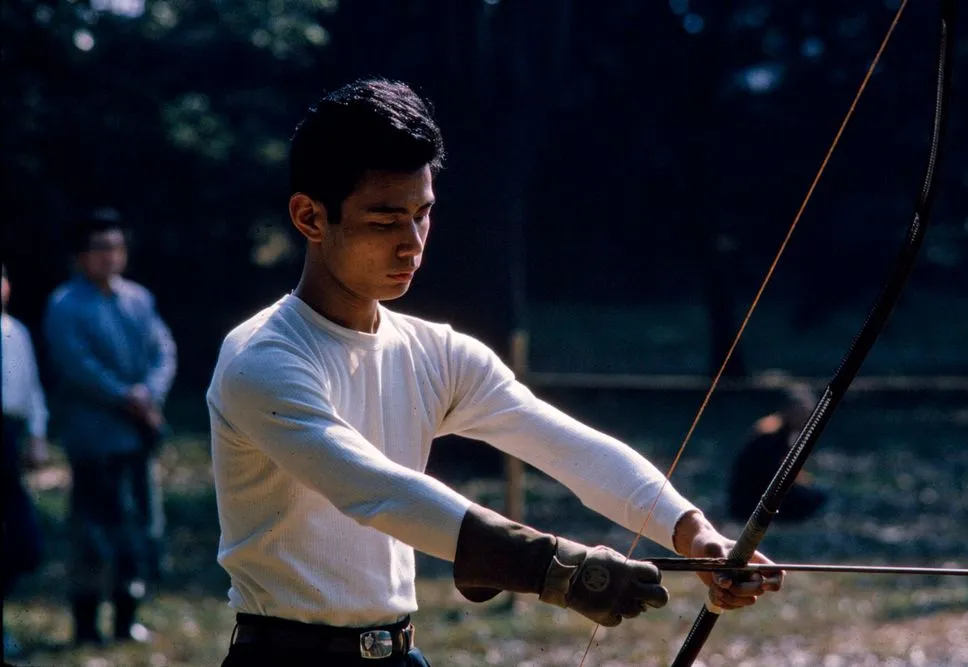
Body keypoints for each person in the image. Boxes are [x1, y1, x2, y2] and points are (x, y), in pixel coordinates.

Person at [207, 78, 784, 667]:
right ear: (309, 216)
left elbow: (567, 447)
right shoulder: (263, 358)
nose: (412, 244)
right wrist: (558, 568)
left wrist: (695, 535)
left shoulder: (436, 352)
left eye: (422, 215)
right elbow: (378, 492)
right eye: (384, 221)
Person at [44, 209, 177, 646]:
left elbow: (164, 351)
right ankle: (85, 625)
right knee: (94, 530)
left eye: (116, 247)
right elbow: (78, 366)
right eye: (100, 248)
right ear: (81, 256)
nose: (110, 257)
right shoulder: (65, 304)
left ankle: (126, 618)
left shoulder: (139, 298)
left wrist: (148, 394)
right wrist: (127, 397)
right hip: (95, 438)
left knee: (140, 528)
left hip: (139, 435)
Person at [2, 264, 50, 659]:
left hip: (10, 439)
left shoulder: (15, 330)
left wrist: (36, 435)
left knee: (25, 545)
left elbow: (30, 387)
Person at [727, 382, 829, 522]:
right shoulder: (771, 433)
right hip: (751, 500)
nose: (807, 419)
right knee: (816, 496)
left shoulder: (782, 430)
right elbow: (770, 471)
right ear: (790, 410)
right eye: (803, 413)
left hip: (757, 492)